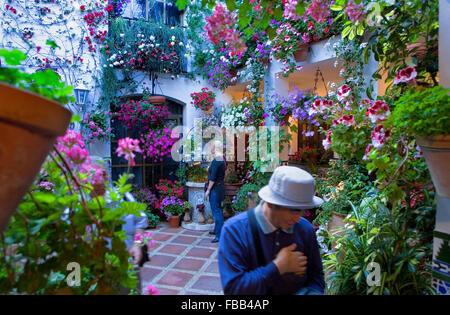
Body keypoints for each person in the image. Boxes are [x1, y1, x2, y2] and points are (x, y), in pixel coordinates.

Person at [217, 166, 325, 295]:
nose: (298, 219)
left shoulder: (305, 229)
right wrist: (278, 266)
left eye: (302, 210)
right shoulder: (235, 230)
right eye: (294, 210)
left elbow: (316, 278)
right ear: (270, 204)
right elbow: (234, 289)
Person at [89, 161, 149, 266]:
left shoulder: (123, 197)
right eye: (94, 175)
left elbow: (141, 222)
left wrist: (137, 244)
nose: (100, 180)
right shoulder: (79, 205)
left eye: (103, 174)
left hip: (128, 263)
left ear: (108, 175)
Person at [204, 141, 226, 243]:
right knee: (217, 210)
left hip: (215, 189)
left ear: (215, 148)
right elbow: (218, 172)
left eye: (211, 147)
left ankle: (219, 235)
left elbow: (213, 178)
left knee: (217, 212)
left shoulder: (217, 160)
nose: (210, 149)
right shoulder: (222, 158)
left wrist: (208, 190)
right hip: (220, 187)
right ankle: (217, 230)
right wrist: (210, 168)